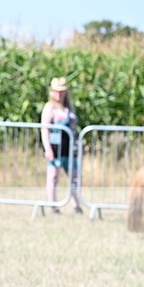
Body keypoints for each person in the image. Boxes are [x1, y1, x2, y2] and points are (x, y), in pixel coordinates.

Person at [40, 76, 81, 214]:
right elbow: (44, 129)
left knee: (74, 177)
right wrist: (48, 149)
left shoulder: (68, 108)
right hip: (55, 149)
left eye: (62, 91)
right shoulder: (49, 108)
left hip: (69, 149)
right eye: (56, 91)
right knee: (53, 177)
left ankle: (76, 205)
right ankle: (53, 206)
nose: (59, 94)